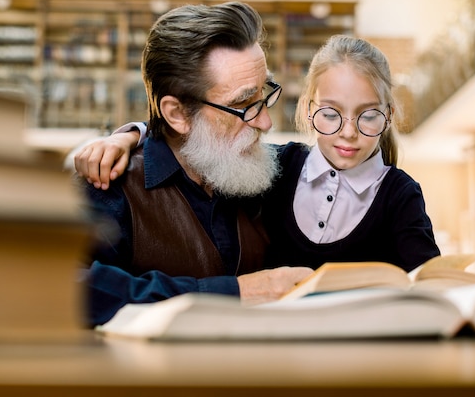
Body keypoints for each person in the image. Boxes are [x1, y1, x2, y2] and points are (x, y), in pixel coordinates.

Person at [77, 34, 441, 275]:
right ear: (309, 109)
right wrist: (135, 134)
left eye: (368, 116)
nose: (348, 132)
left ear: (388, 114)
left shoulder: (399, 194)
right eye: (331, 115)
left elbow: (428, 284)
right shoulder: (277, 169)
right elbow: (202, 138)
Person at [78, 1, 313, 327]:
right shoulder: (111, 186)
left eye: (264, 95)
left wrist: (135, 131)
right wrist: (235, 294)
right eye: (244, 104)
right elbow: (66, 286)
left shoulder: (272, 167)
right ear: (177, 114)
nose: (266, 122)